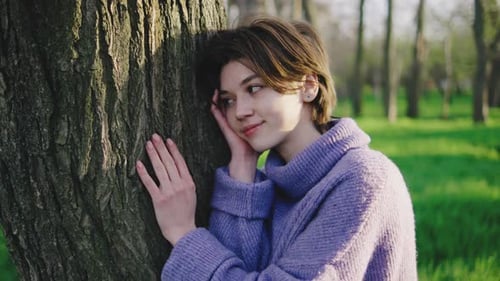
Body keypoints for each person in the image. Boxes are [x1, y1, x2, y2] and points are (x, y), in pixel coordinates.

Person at [136, 16, 417, 280]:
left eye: (254, 88)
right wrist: (243, 167)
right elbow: (240, 264)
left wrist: (183, 233)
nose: (240, 111)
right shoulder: (279, 186)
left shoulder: (364, 180)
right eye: (228, 100)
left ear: (308, 86)